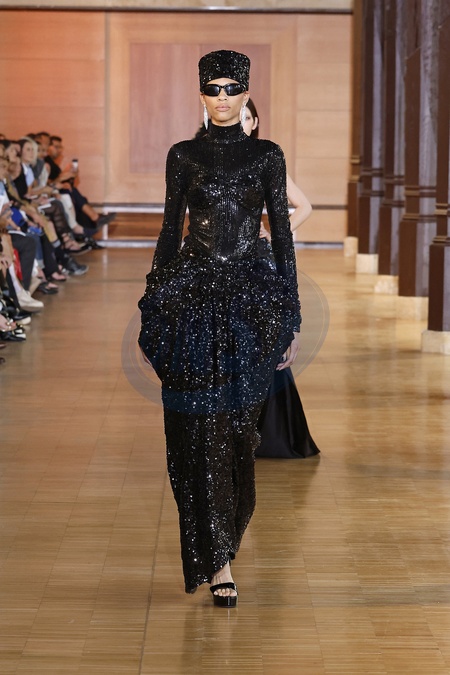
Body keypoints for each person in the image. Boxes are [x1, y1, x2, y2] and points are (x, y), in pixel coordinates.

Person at [138, 50, 301, 606]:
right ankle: (219, 563)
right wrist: (152, 305)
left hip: (253, 305)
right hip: (192, 302)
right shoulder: (183, 155)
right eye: (214, 88)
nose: (224, 97)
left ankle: (225, 536)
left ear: (246, 94)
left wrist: (291, 315)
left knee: (239, 433)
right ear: (202, 95)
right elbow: (169, 230)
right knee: (201, 431)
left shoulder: (267, 155)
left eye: (233, 89)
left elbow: (283, 236)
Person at [242, 98, 320, 460]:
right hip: (217, 260)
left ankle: (271, 433)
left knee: (262, 338)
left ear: (255, 122)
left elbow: (304, 205)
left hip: (256, 259)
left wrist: (274, 235)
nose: (240, 122)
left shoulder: (265, 159)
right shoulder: (205, 157)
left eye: (247, 117)